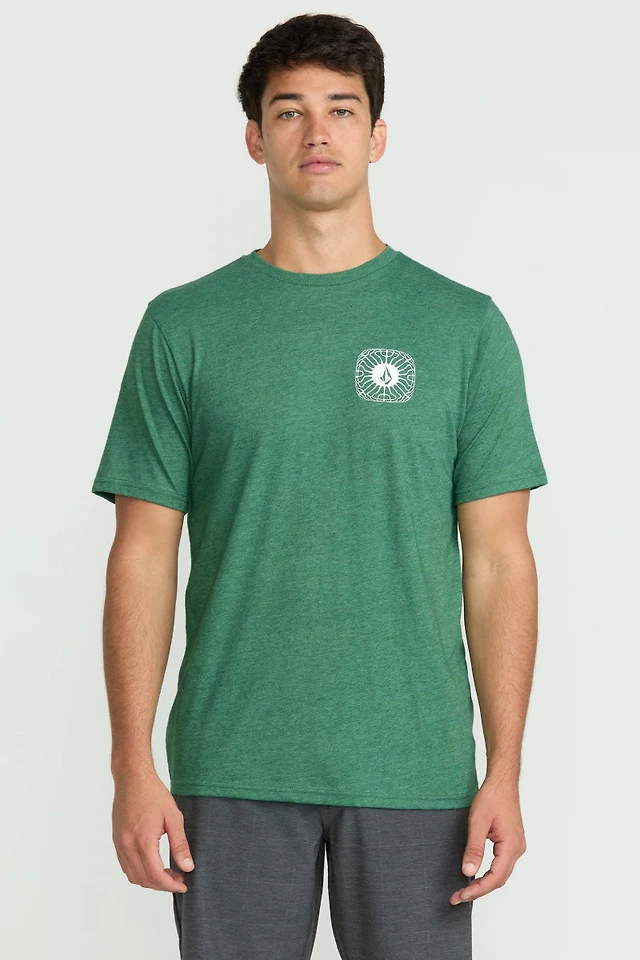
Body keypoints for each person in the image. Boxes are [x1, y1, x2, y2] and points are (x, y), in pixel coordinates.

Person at [91, 12, 548, 960]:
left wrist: (504, 768)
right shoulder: (183, 327)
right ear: (255, 138)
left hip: (415, 768)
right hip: (231, 762)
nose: (317, 132)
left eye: (342, 109)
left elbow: (500, 560)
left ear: (377, 135)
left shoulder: (463, 328)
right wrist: (131, 763)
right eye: (288, 110)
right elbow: (142, 553)